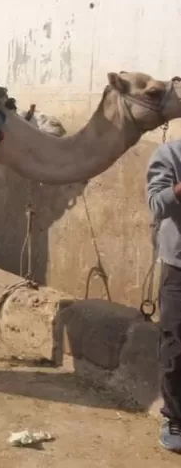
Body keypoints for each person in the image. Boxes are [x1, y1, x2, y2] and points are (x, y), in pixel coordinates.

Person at [146, 142, 181, 453]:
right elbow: (157, 204)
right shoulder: (170, 154)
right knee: (175, 345)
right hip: (178, 267)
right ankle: (175, 417)